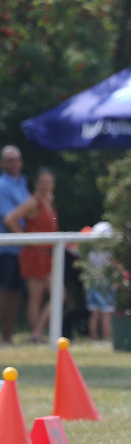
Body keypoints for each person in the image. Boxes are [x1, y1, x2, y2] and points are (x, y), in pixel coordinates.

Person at [3, 167, 60, 344]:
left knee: (58, 294)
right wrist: (26, 239)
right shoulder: (33, 202)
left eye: (49, 182)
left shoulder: (49, 200)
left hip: (46, 254)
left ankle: (37, 332)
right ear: (36, 184)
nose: (46, 185)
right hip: (33, 254)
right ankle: (36, 335)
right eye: (42, 182)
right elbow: (10, 219)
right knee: (36, 297)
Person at [0, 145, 30, 345]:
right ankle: (5, 337)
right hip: (7, 248)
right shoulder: (2, 186)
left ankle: (8, 337)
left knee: (15, 292)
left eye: (17, 159)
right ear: (2, 163)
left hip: (21, 248)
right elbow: (9, 219)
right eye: (10, 160)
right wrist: (30, 242)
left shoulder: (23, 183)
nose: (14, 163)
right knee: (4, 292)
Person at [83, 221, 117, 343]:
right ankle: (106, 340)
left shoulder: (91, 252)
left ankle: (94, 340)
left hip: (92, 284)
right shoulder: (109, 253)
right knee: (106, 314)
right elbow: (117, 267)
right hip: (106, 284)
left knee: (94, 314)